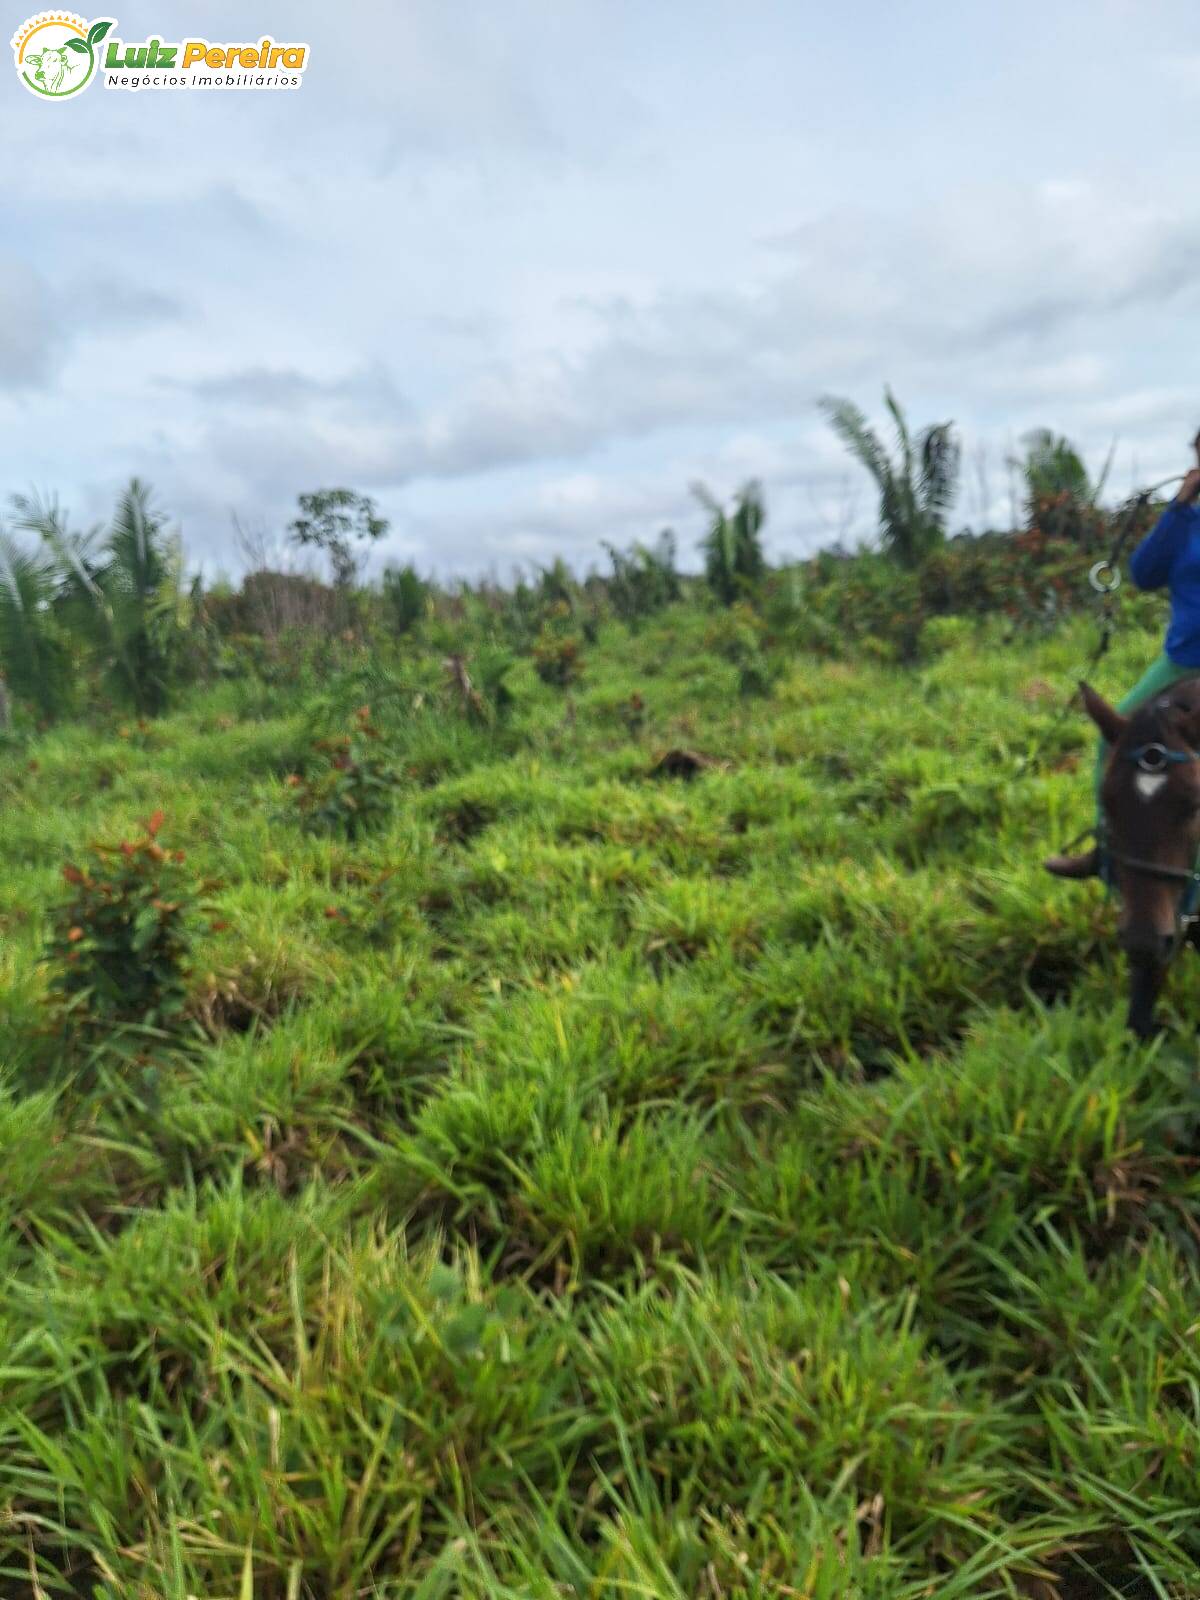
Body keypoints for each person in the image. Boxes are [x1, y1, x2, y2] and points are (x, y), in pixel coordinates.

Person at [1044, 435, 1200, 879]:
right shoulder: (1186, 523)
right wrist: (1179, 506)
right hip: (1182, 661)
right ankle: (1105, 851)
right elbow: (1144, 573)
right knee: (1117, 735)